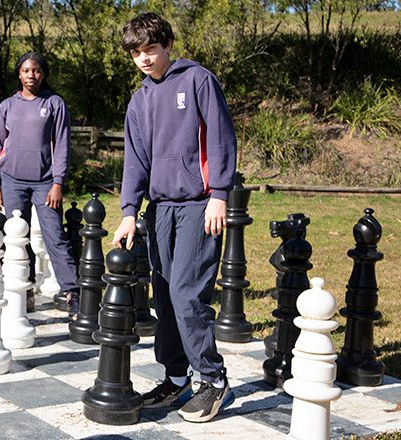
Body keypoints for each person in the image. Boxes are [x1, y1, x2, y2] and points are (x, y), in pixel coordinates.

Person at [111, 13, 237, 423]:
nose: (144, 58)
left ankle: (213, 379)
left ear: (166, 44)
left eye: (150, 49)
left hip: (200, 205)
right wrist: (130, 212)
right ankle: (177, 376)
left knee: (187, 293)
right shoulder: (139, 100)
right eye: (136, 52)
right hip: (160, 209)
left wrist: (220, 193)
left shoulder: (197, 79)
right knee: (165, 298)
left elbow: (220, 135)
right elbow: (136, 160)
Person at [0, 51, 80, 318]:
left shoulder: (54, 104)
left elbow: (62, 146)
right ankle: (24, 291)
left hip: (45, 183)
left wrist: (58, 182)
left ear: (43, 74)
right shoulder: (7, 106)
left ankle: (72, 292)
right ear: (19, 74)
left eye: (37, 70)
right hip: (12, 182)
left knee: (55, 237)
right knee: (17, 238)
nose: (31, 75)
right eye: (26, 70)